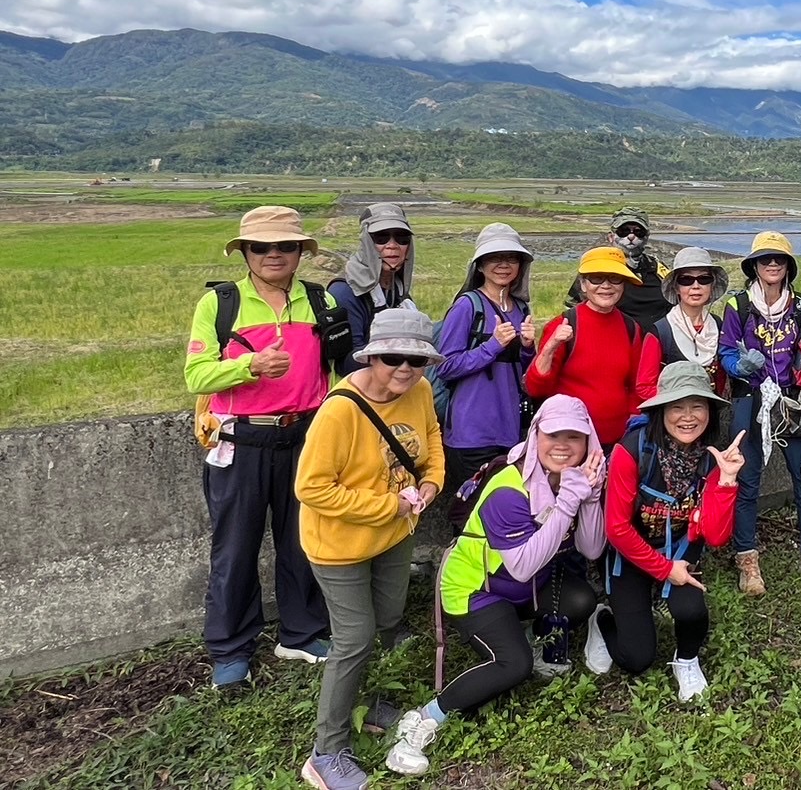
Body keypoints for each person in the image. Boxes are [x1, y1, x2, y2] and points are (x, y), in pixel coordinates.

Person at [385, 395, 605, 778]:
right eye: (553, 434)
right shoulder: (510, 490)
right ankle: (424, 718)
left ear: (590, 443)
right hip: (474, 590)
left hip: (522, 587)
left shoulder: (571, 481)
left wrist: (591, 497)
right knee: (513, 664)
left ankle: (524, 637)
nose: (564, 446)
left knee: (581, 598)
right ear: (536, 434)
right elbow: (522, 567)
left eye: (576, 436)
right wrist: (571, 501)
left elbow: (591, 547)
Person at [183, 206, 334, 690]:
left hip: (303, 436)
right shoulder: (220, 304)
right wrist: (249, 367)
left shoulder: (318, 301)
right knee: (235, 547)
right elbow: (195, 376)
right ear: (245, 252)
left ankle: (302, 631)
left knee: (302, 540)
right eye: (261, 246)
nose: (274, 254)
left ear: (299, 253)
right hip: (241, 440)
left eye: (285, 246)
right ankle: (230, 649)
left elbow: (334, 371)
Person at [295, 308, 445, 790]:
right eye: (391, 358)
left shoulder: (418, 392)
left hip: (394, 536)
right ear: (371, 356)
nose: (403, 369)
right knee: (354, 638)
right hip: (339, 545)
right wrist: (387, 505)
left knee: (386, 618)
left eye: (415, 360)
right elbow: (311, 488)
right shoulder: (341, 410)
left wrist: (431, 485)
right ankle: (327, 750)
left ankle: (371, 702)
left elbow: (432, 440)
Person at [593, 362, 745, 702]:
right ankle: (602, 620)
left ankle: (686, 659)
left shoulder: (711, 456)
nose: (688, 416)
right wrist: (664, 570)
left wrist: (727, 480)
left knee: (692, 612)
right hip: (631, 553)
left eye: (697, 406)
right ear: (661, 411)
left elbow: (716, 537)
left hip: (679, 549)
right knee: (636, 659)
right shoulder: (631, 451)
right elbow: (616, 528)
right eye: (677, 406)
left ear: (710, 410)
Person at [718, 232, 801, 595]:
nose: (772, 265)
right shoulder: (737, 307)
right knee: (748, 482)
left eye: (779, 259)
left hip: (793, 402)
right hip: (751, 401)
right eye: (765, 259)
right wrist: (738, 365)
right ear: (754, 266)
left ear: (789, 266)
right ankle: (746, 557)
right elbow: (726, 351)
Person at [435, 224, 537, 500]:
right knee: (471, 510)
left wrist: (528, 348)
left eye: (511, 258)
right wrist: (492, 346)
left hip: (510, 431)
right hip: (472, 434)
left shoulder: (521, 309)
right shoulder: (467, 306)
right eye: (494, 257)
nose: (503, 265)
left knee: (501, 508)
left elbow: (524, 373)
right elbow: (445, 366)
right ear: (479, 265)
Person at [528, 247, 646, 449]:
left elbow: (636, 387)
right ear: (583, 284)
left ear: (623, 285)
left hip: (617, 441)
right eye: (597, 278)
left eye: (615, 278)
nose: (606, 286)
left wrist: (632, 429)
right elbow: (536, 388)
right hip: (569, 442)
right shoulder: (564, 325)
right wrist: (551, 346)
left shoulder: (631, 328)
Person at [327, 204, 418, 377]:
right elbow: (346, 364)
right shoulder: (345, 292)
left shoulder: (399, 292)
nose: (392, 245)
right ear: (365, 242)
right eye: (381, 237)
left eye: (402, 238)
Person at [637, 246, 730, 402]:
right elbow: (644, 386)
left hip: (714, 415)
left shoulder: (718, 325)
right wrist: (680, 404)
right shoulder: (661, 331)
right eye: (686, 280)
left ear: (711, 286)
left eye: (704, 279)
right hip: (675, 418)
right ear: (676, 287)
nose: (696, 286)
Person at [565, 208, 671, 329]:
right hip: (614, 342)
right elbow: (572, 311)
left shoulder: (658, 269)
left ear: (647, 237)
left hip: (658, 343)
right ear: (611, 237)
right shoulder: (596, 269)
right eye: (623, 231)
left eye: (638, 232)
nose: (631, 236)